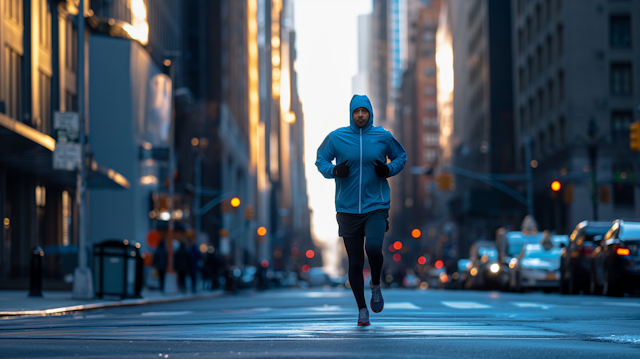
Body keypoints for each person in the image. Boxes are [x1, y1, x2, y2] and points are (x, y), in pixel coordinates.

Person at [316, 94, 406, 326]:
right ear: (351, 114)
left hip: (376, 205)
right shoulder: (337, 137)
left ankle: (375, 284)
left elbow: (401, 157)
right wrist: (334, 171)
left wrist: (388, 169)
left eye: (364, 111)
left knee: (374, 248)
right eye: (356, 111)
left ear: (370, 113)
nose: (360, 115)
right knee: (355, 262)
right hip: (347, 209)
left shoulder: (383, 136)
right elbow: (321, 160)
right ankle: (362, 309)